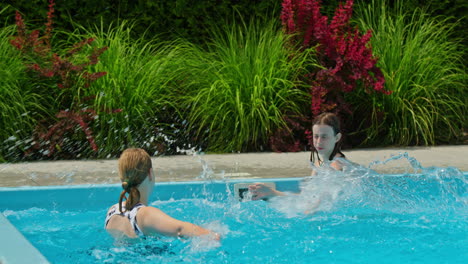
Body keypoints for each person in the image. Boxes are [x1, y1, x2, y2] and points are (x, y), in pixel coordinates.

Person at [105, 148, 220, 241]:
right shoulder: (146, 214)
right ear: (150, 173)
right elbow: (180, 229)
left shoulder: (113, 211)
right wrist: (212, 235)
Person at [249, 112, 346, 201]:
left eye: (324, 137)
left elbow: (326, 198)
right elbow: (305, 197)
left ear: (337, 137)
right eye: (316, 136)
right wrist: (272, 193)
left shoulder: (337, 165)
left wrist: (311, 210)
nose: (319, 142)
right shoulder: (318, 164)